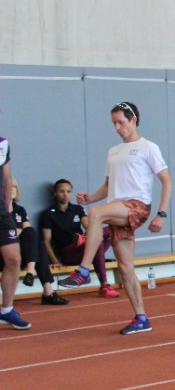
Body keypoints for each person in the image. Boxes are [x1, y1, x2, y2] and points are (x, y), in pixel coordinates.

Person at [58, 102, 172, 335]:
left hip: (137, 206)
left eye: (121, 122)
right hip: (118, 210)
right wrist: (90, 198)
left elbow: (167, 181)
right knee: (125, 268)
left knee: (97, 214)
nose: (117, 127)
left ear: (134, 120)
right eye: (114, 123)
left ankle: (82, 271)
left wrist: (161, 213)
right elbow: (109, 186)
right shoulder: (113, 151)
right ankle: (141, 317)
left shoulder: (148, 147)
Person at [41, 178, 119, 300]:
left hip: (84, 248)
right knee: (96, 241)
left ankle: (95, 275)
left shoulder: (77, 209)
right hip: (68, 253)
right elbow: (46, 241)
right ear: (55, 193)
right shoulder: (48, 214)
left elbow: (89, 226)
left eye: (68, 191)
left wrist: (90, 232)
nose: (65, 194)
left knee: (111, 229)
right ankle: (104, 286)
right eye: (61, 191)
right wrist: (55, 261)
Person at [0, 177, 70, 306]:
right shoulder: (1, 212)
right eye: (8, 186)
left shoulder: (19, 210)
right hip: (4, 256)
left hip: (21, 255)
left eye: (14, 186)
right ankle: (45, 289)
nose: (12, 189)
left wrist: (18, 231)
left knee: (34, 236)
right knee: (37, 243)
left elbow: (27, 231)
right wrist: (16, 232)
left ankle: (32, 273)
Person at [0, 137, 31, 329]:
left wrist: (8, 207)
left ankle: (6, 310)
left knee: (13, 259)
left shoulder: (3, 143)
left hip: (2, 214)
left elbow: (7, 176)